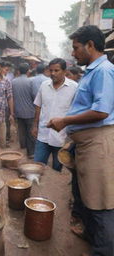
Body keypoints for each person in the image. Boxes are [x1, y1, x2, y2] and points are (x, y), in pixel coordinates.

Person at [47, 25, 114, 256]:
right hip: (86, 145)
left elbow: (102, 111)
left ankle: (103, 250)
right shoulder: (93, 71)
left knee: (101, 201)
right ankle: (90, 236)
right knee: (86, 195)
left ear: (90, 45)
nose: (73, 54)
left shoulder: (103, 71)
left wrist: (65, 120)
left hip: (97, 144)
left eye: (76, 48)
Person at [32, 58, 77, 172]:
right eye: (51, 70)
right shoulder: (44, 85)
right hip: (43, 134)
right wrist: (34, 125)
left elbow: (76, 111)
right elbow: (38, 105)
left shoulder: (74, 87)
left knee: (57, 169)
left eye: (56, 70)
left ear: (65, 71)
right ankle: (39, 189)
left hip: (61, 137)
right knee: (38, 165)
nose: (53, 73)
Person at [12, 63, 35, 157]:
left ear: (18, 71)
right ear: (28, 71)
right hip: (29, 111)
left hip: (18, 110)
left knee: (21, 130)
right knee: (30, 132)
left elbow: (11, 96)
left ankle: (23, 146)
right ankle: (30, 153)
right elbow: (34, 96)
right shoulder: (31, 82)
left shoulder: (13, 81)